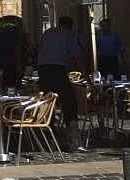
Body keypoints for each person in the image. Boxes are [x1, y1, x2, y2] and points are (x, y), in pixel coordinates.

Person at [36, 15, 93, 152]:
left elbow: (40, 50)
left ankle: (50, 139)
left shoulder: (47, 32)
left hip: (42, 69)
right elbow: (78, 60)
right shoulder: (70, 35)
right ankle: (74, 140)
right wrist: (90, 83)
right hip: (57, 68)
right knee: (69, 103)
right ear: (70, 26)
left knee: (47, 104)